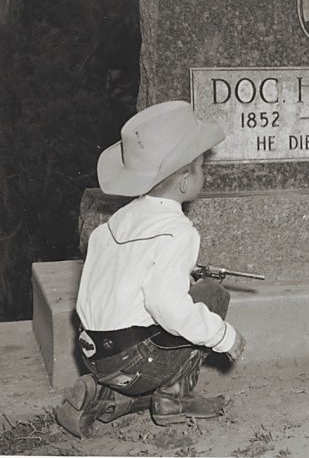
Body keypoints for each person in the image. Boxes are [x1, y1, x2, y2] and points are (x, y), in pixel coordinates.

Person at [55, 101, 246, 437]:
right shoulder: (179, 231)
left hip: (95, 354)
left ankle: (105, 394)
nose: (204, 173)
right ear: (185, 181)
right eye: (201, 167)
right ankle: (173, 397)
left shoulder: (115, 222)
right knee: (211, 296)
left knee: (170, 317)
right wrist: (224, 337)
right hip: (135, 360)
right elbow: (166, 305)